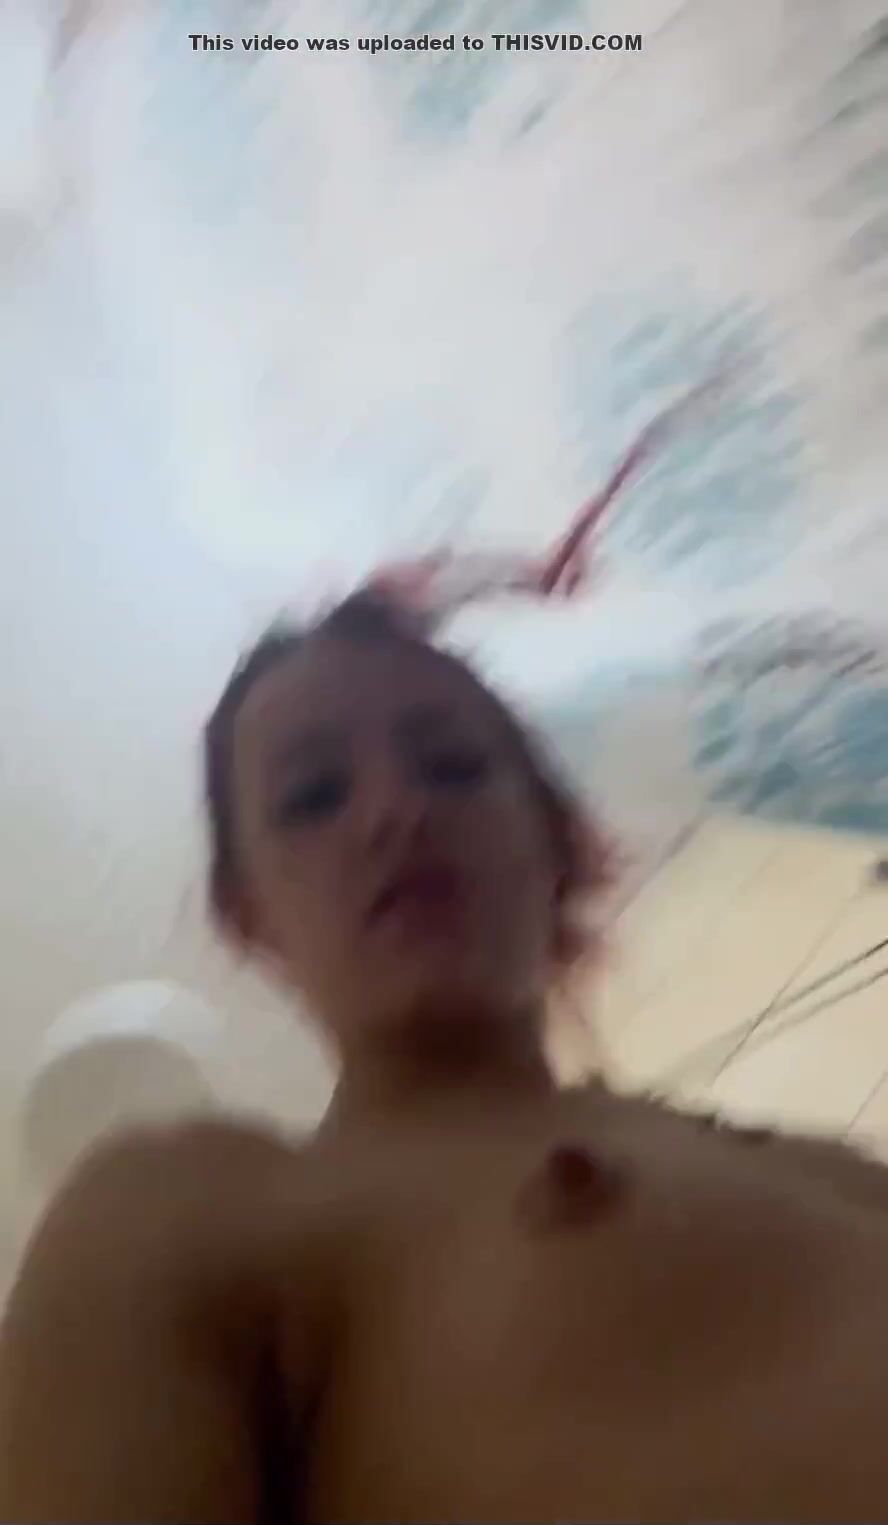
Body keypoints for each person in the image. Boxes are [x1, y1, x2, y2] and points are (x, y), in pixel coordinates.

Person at [4, 589, 888, 1524]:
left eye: (456, 766)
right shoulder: (193, 1206)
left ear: (556, 844)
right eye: (314, 796)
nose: (398, 809)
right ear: (248, 912)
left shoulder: (813, 1164)